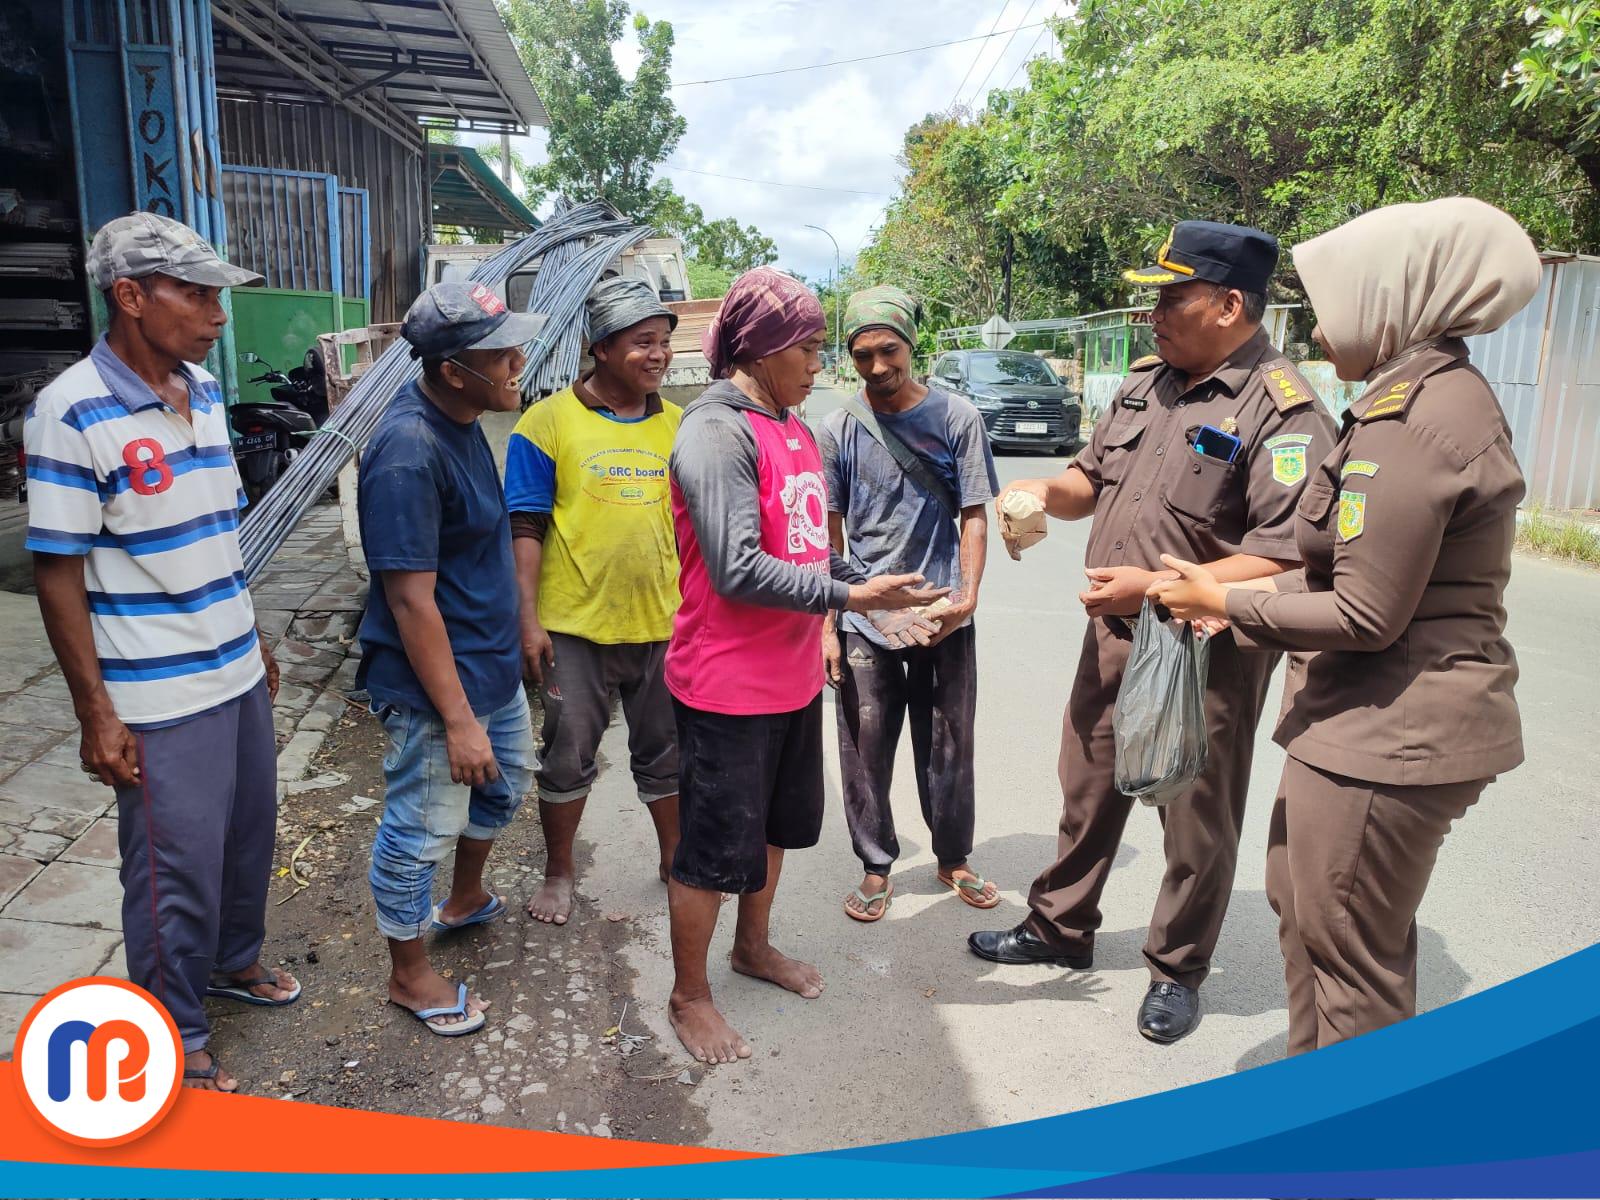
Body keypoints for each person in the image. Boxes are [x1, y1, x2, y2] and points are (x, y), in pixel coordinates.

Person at [1149, 198, 1540, 1053]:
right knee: (1310, 916)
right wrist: (1237, 592)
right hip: (1364, 723)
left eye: (1331, 305)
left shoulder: (1415, 421)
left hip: (1391, 730)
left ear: (1393, 296)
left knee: (1350, 964)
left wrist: (1222, 603)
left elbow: (1364, 612)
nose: (1319, 332)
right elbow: (1345, 570)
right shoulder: (1412, 397)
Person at [969, 220, 1337, 1045]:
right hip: (1114, 634)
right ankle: (1060, 926)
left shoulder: (1284, 411)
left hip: (1204, 647)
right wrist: (1039, 495)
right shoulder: (1148, 384)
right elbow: (1090, 478)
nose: (1155, 316)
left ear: (1231, 304)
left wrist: (1158, 586)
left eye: (1174, 297)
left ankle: (1175, 968)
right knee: (1087, 782)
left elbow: (1287, 557)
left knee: (1192, 812)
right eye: (1155, 299)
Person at [24, 212, 294, 1093]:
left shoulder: (205, 392)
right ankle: (169, 1026)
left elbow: (219, 536)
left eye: (219, 293)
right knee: (171, 868)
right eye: (197, 293)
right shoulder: (70, 411)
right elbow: (58, 574)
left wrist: (252, 634)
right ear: (131, 297)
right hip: (155, 689)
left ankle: (232, 963)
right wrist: (96, 714)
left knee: (249, 836)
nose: (218, 313)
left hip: (233, 667)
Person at [665, 267, 947, 1064]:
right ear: (760, 347)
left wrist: (831, 612)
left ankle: (752, 948)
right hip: (726, 685)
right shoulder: (715, 432)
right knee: (712, 851)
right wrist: (852, 598)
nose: (821, 366)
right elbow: (737, 567)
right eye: (810, 348)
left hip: (790, 679)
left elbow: (809, 542)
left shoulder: (788, 422)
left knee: (777, 832)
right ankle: (689, 994)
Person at [356, 282, 542, 1037]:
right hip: (442, 690)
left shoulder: (463, 418)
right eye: (501, 355)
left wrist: (522, 630)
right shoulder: (408, 450)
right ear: (453, 369)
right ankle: (409, 974)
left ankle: (463, 900)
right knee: (418, 829)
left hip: (490, 668)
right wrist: (458, 719)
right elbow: (410, 603)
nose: (518, 363)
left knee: (503, 789)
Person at [818, 285, 1001, 922]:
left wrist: (968, 597)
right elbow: (827, 530)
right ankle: (875, 864)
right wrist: (830, 622)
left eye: (887, 350)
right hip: (865, 609)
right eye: (861, 353)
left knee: (949, 739)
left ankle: (953, 857)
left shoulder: (956, 417)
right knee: (865, 740)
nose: (876, 366)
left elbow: (976, 512)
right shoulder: (840, 426)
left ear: (910, 344)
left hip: (941, 609)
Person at [504, 277, 683, 926]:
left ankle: (673, 858)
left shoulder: (677, 425)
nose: (658, 355)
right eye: (643, 342)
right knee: (568, 752)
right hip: (574, 628)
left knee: (665, 751)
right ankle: (558, 871)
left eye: (664, 341)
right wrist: (527, 620)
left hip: (661, 622)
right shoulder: (546, 423)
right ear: (599, 348)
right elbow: (525, 528)